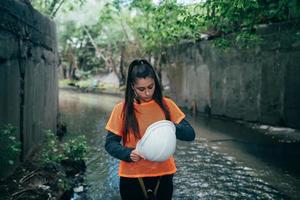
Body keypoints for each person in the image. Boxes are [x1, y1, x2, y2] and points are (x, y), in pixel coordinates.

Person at [105, 59, 195, 200]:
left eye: (150, 87)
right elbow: (110, 144)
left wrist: (168, 126)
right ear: (132, 87)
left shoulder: (167, 105)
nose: (147, 93)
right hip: (132, 177)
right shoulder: (121, 110)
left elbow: (190, 134)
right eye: (141, 89)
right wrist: (128, 153)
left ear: (155, 84)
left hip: (164, 175)